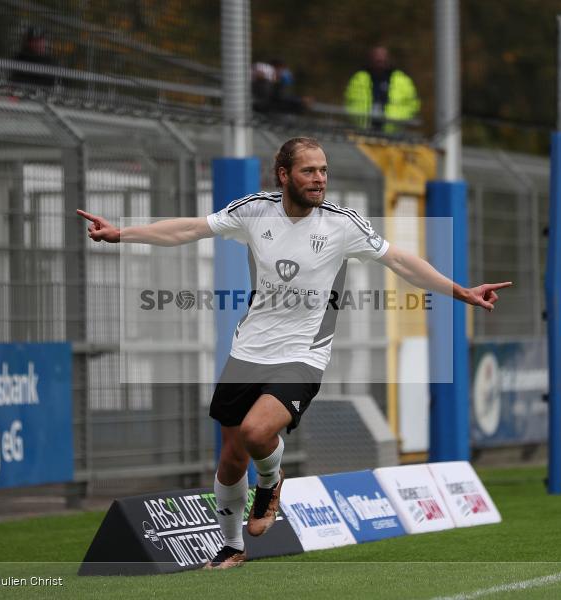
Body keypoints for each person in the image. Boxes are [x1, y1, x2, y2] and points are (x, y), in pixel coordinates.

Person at [77, 137, 511, 569]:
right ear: (283, 175)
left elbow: (399, 261)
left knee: (255, 431)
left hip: (304, 353)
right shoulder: (253, 211)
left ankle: (271, 481)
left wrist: (459, 291)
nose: (319, 178)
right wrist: (122, 233)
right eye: (309, 170)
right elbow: (190, 228)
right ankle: (232, 547)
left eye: (323, 170)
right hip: (248, 350)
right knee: (230, 456)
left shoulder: (342, 224)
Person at [344, 45, 419, 131]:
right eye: (377, 59)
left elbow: (412, 104)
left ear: (388, 59)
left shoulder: (401, 80)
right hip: (363, 129)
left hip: (393, 131)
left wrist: (401, 120)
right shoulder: (359, 78)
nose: (380, 62)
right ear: (371, 59)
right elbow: (349, 101)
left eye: (382, 59)